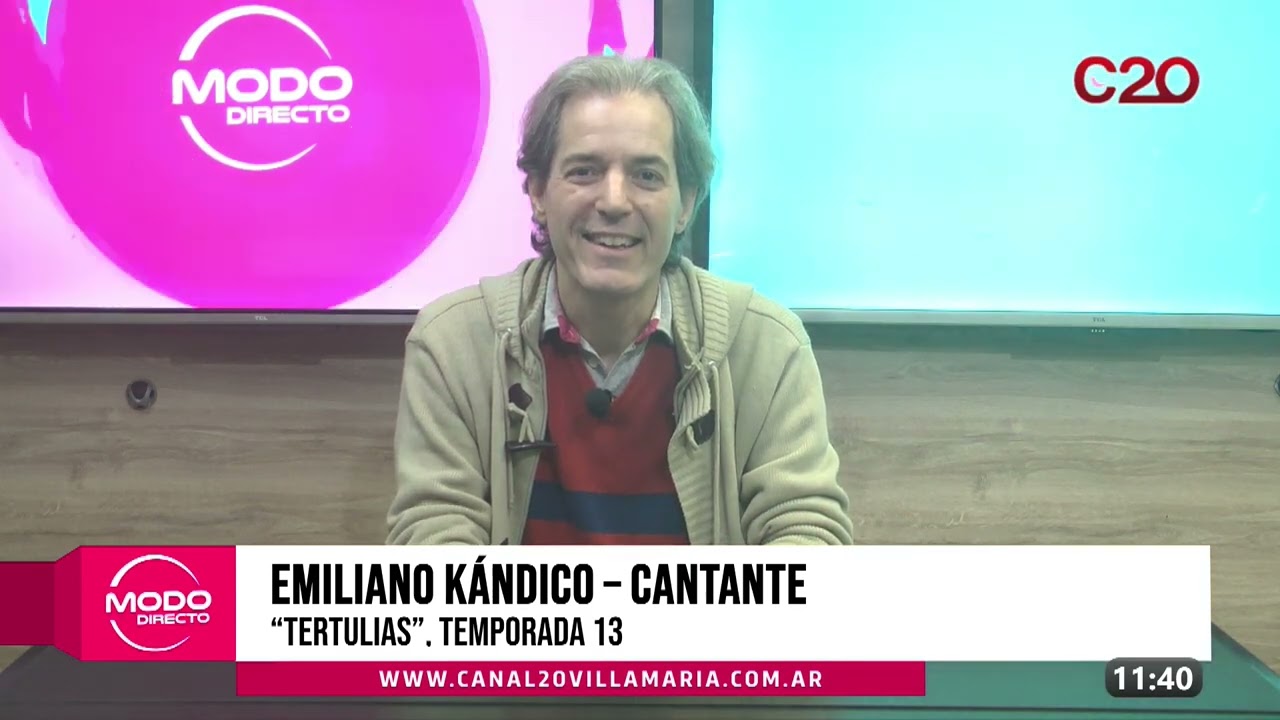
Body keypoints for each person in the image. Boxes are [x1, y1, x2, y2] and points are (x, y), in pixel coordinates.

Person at [387, 55, 853, 546]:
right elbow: (433, 535)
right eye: (585, 171)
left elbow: (807, 534)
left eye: (646, 176)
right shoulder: (453, 345)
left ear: (686, 203)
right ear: (539, 192)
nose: (613, 201)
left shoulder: (766, 345)